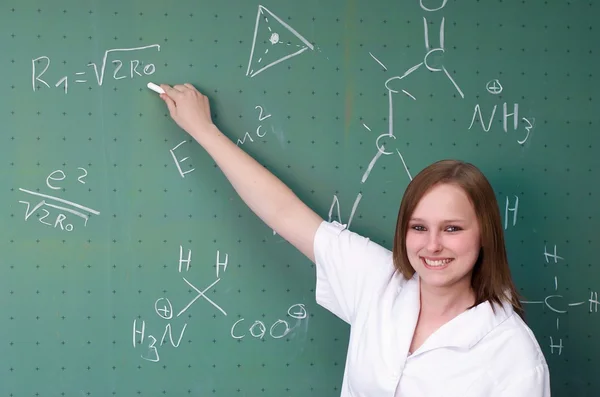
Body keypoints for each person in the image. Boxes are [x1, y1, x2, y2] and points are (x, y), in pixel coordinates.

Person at [157, 83, 551, 397]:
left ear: (484, 235)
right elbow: (283, 212)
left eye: (452, 228)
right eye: (418, 227)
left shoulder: (513, 354)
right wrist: (203, 130)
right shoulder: (378, 281)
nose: (432, 245)